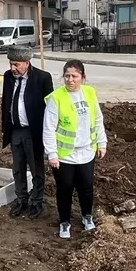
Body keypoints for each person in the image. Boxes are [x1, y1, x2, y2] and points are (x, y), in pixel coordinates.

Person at [43, 60, 107, 239]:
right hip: (65, 155)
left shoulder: (90, 93)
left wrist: (102, 142)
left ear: (83, 77)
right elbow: (48, 128)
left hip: (86, 151)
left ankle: (87, 216)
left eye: (74, 76)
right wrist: (52, 153)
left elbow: (97, 119)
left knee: (86, 188)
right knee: (65, 189)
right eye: (67, 76)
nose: (70, 80)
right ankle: (65, 222)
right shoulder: (56, 98)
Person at [0, 45, 53, 218]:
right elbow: (6, 102)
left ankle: (36, 202)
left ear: (27, 63)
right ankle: (21, 199)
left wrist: (48, 132)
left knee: (36, 169)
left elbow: (50, 107)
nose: (12, 68)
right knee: (18, 168)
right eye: (11, 64)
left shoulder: (42, 78)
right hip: (15, 130)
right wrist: (5, 128)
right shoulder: (8, 77)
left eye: (16, 64)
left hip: (33, 132)